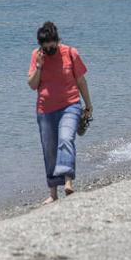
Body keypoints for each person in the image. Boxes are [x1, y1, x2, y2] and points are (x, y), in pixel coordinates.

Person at [27, 22, 93, 203]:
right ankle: (53, 194)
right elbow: (32, 85)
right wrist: (39, 66)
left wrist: (88, 105)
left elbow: (81, 81)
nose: (48, 49)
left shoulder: (71, 53)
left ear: (57, 40)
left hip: (70, 105)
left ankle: (68, 181)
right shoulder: (36, 56)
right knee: (49, 150)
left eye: (51, 45)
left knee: (65, 138)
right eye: (44, 46)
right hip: (45, 110)